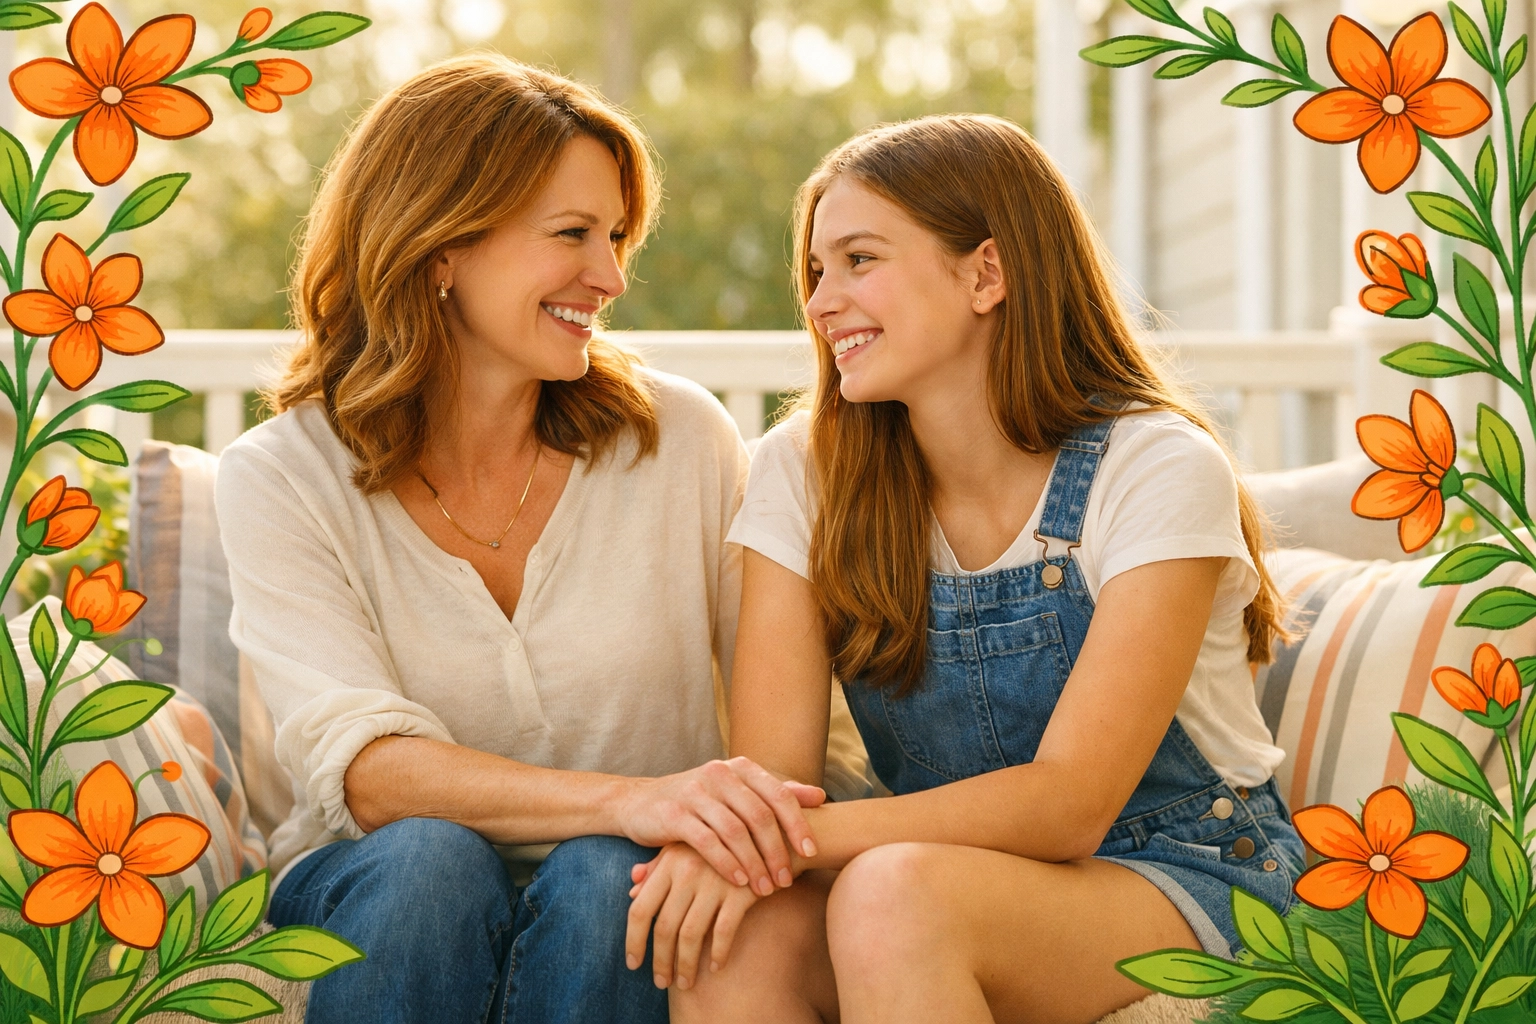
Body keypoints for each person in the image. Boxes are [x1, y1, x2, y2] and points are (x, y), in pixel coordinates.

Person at [216, 55, 865, 1024]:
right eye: (572, 235)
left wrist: (668, 825)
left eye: (614, 237)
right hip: (386, 887)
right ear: (441, 246)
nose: (609, 277)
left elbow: (790, 721)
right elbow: (368, 773)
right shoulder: (280, 472)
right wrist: (630, 798)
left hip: (626, 881)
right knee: (433, 857)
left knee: (612, 877)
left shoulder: (681, 442)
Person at [626, 113, 1307, 1024]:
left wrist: (762, 843)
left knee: (890, 894)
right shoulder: (804, 472)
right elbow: (777, 770)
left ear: (986, 272)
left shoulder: (1155, 466)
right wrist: (746, 848)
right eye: (817, 272)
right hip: (941, 874)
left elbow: (1070, 805)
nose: (824, 302)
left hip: (1189, 872)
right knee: (734, 931)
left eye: (861, 260)